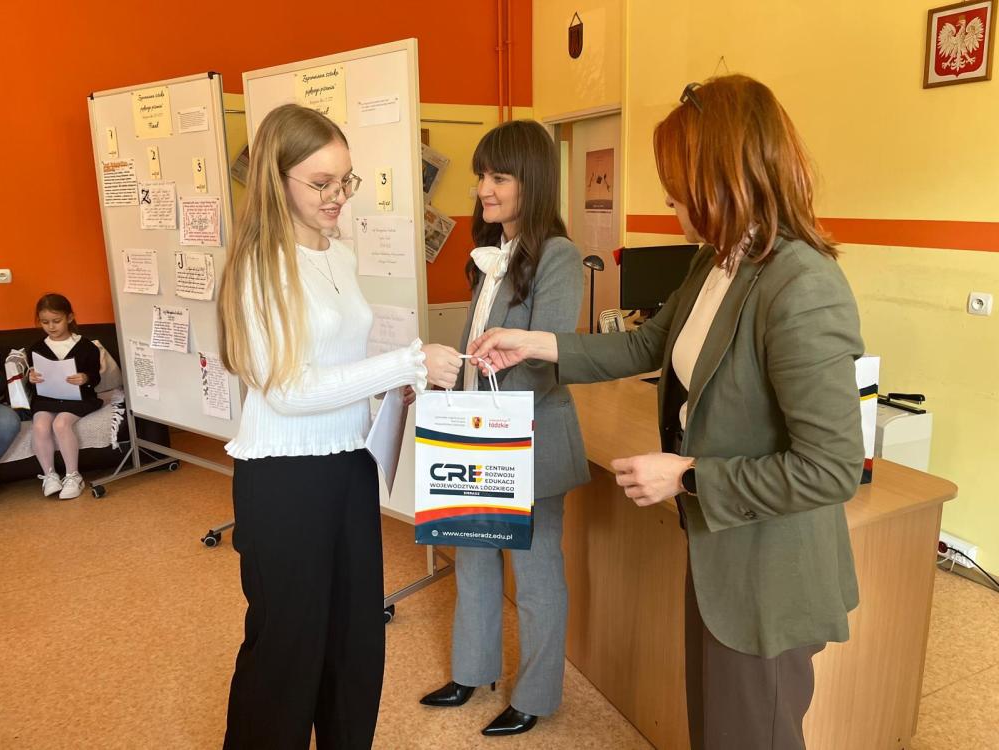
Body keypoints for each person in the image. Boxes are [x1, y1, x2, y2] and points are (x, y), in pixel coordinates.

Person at [469, 75, 865, 750]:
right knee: (716, 728)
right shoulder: (717, 262)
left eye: (677, 182)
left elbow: (831, 469)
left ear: (724, 176)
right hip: (718, 551)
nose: (668, 198)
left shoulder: (802, 285)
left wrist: (687, 475)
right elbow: (645, 344)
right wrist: (532, 343)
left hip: (767, 571)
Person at [217, 103, 462, 750]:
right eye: (320, 183)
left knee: (355, 641)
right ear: (277, 181)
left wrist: (394, 385)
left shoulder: (341, 256)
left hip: (349, 464)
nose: (338, 196)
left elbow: (340, 363)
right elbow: (288, 390)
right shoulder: (258, 266)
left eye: (345, 180)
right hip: (283, 479)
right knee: (287, 650)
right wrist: (406, 362)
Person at [419, 119, 590, 737]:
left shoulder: (558, 255)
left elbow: (549, 353)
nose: (483, 189)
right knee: (472, 556)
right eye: (480, 177)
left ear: (531, 181)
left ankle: (535, 696)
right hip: (477, 433)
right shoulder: (493, 253)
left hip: (529, 440)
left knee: (536, 575)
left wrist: (492, 389)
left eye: (499, 177)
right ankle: (472, 670)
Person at [27, 294, 103, 499]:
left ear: (69, 317)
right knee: (40, 425)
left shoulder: (87, 347)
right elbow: (33, 380)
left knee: (61, 424)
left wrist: (85, 378)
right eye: (45, 322)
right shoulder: (36, 348)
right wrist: (31, 378)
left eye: (56, 321)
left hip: (79, 398)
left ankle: (73, 475)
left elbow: (95, 377)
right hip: (47, 399)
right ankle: (49, 475)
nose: (51, 327)